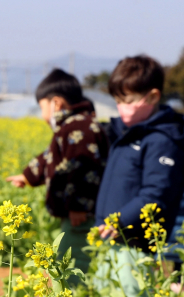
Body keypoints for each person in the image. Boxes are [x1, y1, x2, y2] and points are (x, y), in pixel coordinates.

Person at [94, 55, 184, 297]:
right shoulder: (130, 132)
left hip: (136, 242)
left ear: (154, 97)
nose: (122, 109)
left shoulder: (162, 140)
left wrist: (118, 220)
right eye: (118, 101)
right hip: (112, 237)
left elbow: (156, 194)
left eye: (129, 101)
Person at [6, 69, 109, 274]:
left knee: (70, 263)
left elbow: (82, 167)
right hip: (78, 212)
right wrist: (28, 175)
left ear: (56, 103)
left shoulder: (79, 127)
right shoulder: (72, 127)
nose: (42, 114)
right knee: (69, 258)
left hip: (82, 213)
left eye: (42, 107)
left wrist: (78, 205)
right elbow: (51, 158)